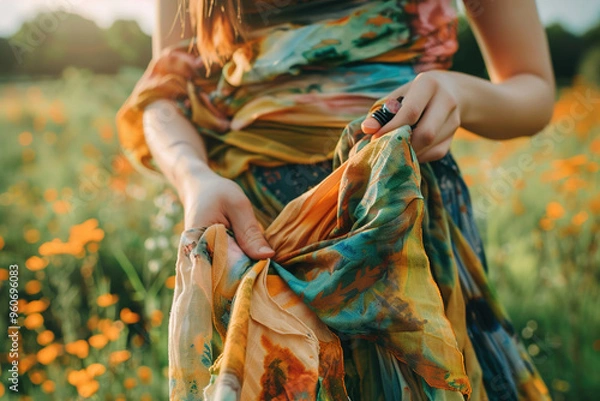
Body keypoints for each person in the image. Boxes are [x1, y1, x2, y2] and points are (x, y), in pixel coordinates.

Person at [116, 0, 555, 399]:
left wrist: (459, 91)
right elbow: (163, 96)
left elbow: (532, 90)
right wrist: (194, 177)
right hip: (257, 229)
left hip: (400, 213)